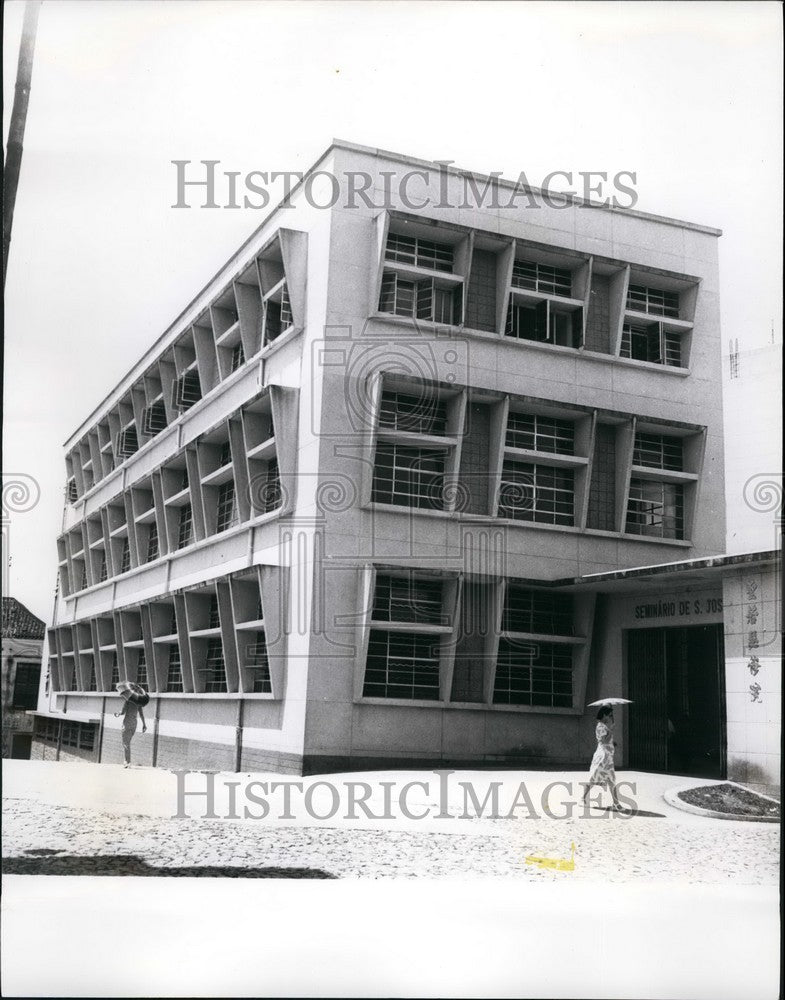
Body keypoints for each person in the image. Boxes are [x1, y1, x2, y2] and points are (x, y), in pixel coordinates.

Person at [582, 706, 623, 810]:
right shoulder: (600, 726)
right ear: (604, 715)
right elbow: (603, 741)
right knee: (594, 777)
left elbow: (607, 741)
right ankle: (582, 798)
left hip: (608, 757)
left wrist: (612, 742)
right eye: (609, 715)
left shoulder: (604, 726)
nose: (610, 717)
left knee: (611, 780)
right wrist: (611, 731)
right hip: (603, 757)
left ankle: (616, 804)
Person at [114, 697, 147, 767]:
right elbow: (141, 715)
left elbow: (123, 712)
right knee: (127, 742)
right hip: (134, 724)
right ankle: (126, 760)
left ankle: (127, 761)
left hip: (127, 723)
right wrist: (144, 724)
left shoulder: (128, 701)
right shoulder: (139, 703)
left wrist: (117, 713)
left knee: (125, 743)